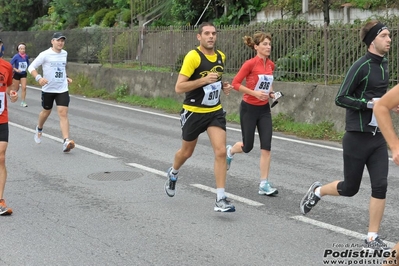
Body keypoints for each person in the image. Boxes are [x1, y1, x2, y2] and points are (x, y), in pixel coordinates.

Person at [299, 20, 391, 250]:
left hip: (378, 136)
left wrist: (390, 104)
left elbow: (381, 97)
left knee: (380, 185)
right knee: (350, 188)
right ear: (372, 40)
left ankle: (372, 237)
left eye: (390, 36)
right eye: (385, 36)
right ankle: (318, 191)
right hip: (356, 136)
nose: (390, 40)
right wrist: (369, 104)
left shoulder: (384, 65)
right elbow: (340, 97)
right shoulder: (361, 66)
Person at [164, 22, 235, 212]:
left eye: (214, 33)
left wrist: (223, 86)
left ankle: (220, 199)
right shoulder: (193, 57)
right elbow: (179, 87)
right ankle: (173, 172)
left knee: (220, 152)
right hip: (193, 112)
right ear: (199, 37)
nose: (211, 36)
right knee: (186, 153)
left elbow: (215, 82)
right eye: (206, 33)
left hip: (214, 112)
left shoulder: (220, 56)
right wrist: (204, 80)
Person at [225, 31, 278, 196]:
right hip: (249, 108)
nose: (268, 47)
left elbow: (267, 85)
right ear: (256, 47)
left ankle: (264, 184)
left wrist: (271, 94)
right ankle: (230, 151)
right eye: (264, 44)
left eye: (269, 44)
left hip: (264, 110)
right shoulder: (250, 64)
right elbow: (235, 84)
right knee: (247, 147)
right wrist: (255, 94)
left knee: (266, 147)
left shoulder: (271, 65)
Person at [27, 32, 75, 153]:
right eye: (58, 40)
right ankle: (39, 128)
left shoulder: (64, 53)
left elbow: (61, 68)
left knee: (63, 113)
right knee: (46, 112)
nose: (60, 43)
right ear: (52, 41)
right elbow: (31, 67)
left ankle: (66, 141)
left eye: (62, 41)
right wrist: (39, 78)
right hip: (48, 89)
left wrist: (66, 77)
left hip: (62, 88)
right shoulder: (45, 54)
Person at [0, 57, 19, 215]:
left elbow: (7, 86)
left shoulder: (6, 66)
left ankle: (0, 201)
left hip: (1, 117)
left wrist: (12, 93)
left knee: (1, 157)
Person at [10, 42, 30, 107]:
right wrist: (15, 69)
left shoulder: (26, 56)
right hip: (17, 74)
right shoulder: (16, 56)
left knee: (24, 87)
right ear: (19, 50)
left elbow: (28, 64)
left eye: (24, 49)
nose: (23, 50)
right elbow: (10, 64)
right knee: (16, 88)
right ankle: (12, 96)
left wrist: (29, 69)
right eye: (21, 49)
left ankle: (23, 102)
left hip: (23, 73)